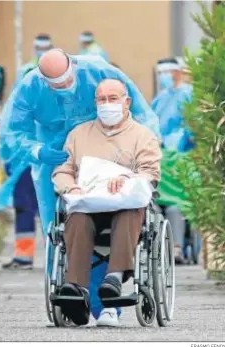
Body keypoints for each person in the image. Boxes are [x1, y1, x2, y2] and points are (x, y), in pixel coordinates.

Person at [0, 48, 160, 326]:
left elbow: (147, 148)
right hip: (62, 158)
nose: (63, 88)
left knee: (125, 214)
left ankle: (108, 301)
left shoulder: (100, 73)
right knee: (68, 226)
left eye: (112, 99)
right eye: (55, 85)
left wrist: (134, 174)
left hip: (121, 175)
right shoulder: (31, 89)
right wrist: (38, 152)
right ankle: (76, 295)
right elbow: (12, 133)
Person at [52, 79, 162, 326]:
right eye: (102, 99)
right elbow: (63, 170)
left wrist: (127, 179)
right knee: (77, 218)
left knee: (130, 211)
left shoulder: (142, 136)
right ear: (95, 103)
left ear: (127, 102)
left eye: (113, 98)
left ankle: (114, 278)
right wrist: (71, 186)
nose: (107, 104)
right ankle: (76, 290)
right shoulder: (79, 135)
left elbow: (150, 173)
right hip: (88, 204)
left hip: (124, 206)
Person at [1, 34, 53, 269]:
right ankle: (24, 256)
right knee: (24, 205)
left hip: (46, 158)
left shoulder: (51, 96)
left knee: (51, 208)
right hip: (24, 160)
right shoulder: (25, 82)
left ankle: (56, 255)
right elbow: (10, 129)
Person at [151, 57, 194, 264]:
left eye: (166, 73)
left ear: (177, 72)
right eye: (160, 74)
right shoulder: (160, 98)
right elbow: (151, 123)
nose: (163, 77)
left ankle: (177, 247)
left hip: (181, 156)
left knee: (176, 205)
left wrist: (178, 141)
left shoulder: (188, 95)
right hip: (159, 157)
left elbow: (194, 125)